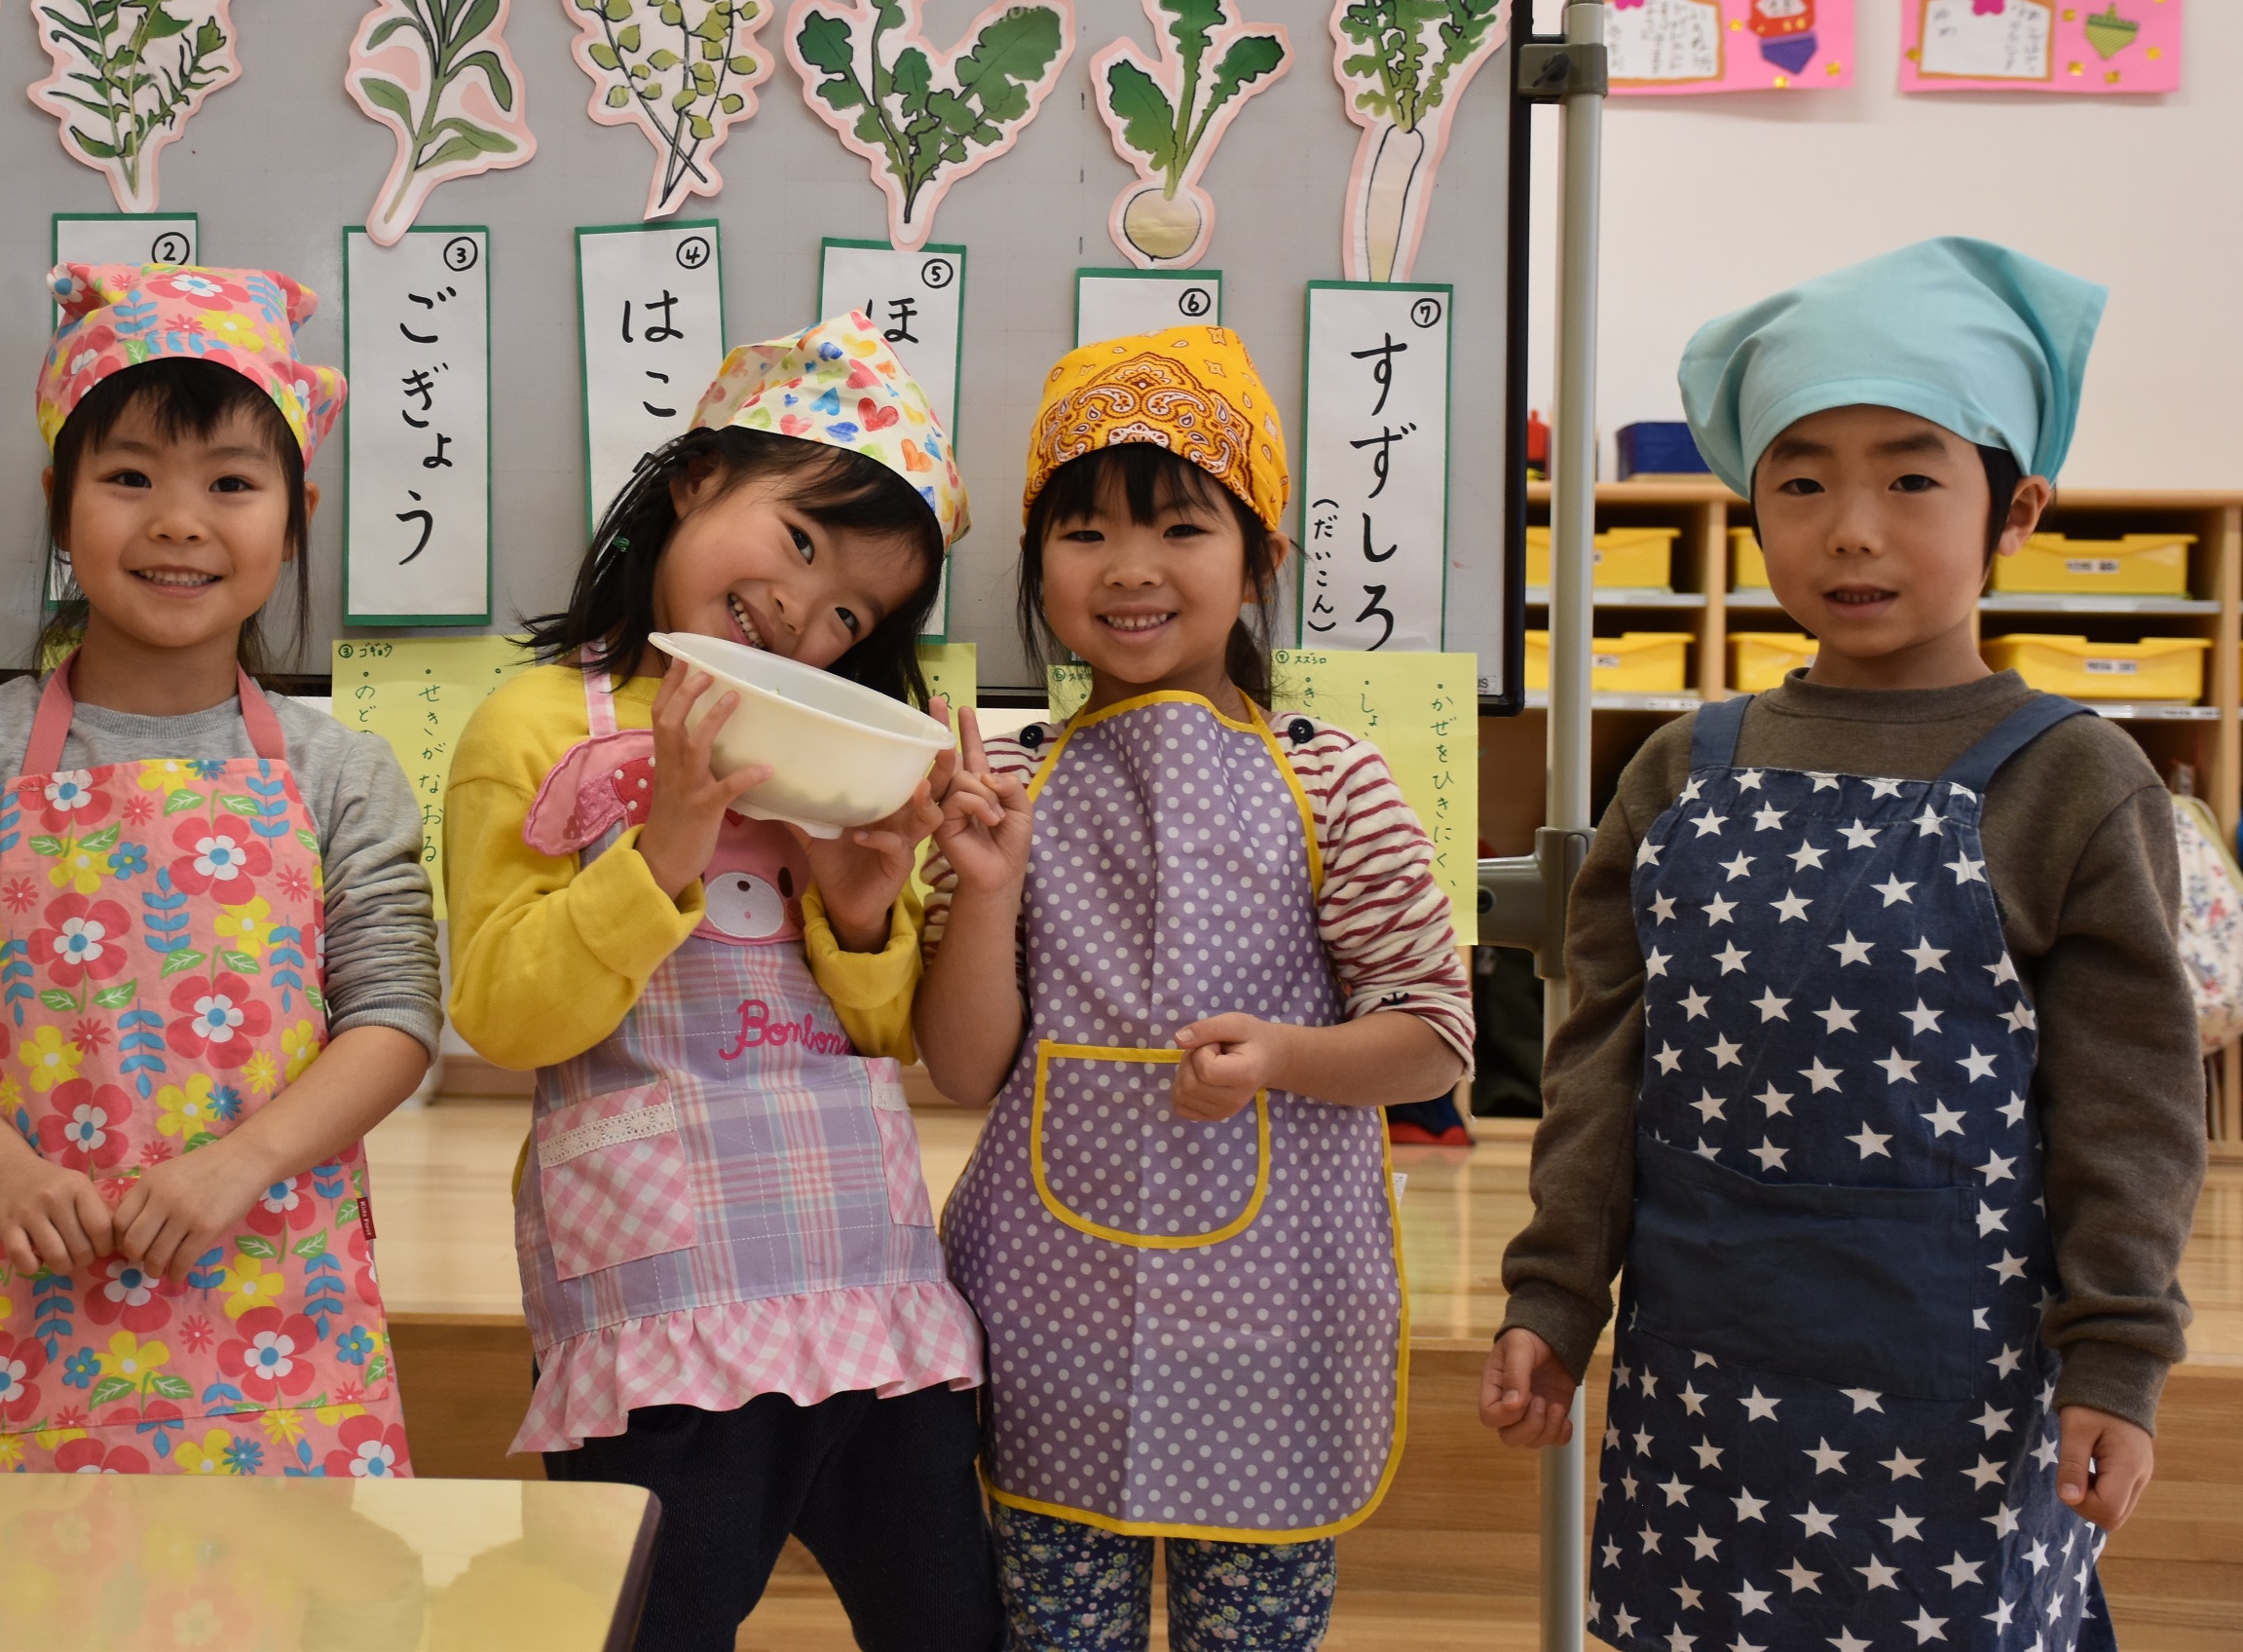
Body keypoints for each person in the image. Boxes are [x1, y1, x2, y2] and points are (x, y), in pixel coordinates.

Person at [1479, 240, 2208, 1652]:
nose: (1852, 530)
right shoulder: (1679, 769)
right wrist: (1554, 1294)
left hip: (1961, 1391)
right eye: (1801, 483)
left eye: (1912, 479)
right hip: (1705, 1387)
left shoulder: (2073, 780)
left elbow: (2132, 1106)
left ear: (2018, 509)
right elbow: (1600, 1067)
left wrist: (2119, 1356)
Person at [0, 263, 438, 1473]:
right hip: (1, 1290)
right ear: (60, 502)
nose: (179, 520)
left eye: (232, 482)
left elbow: (395, 1015)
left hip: (263, 1287)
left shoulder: (341, 771)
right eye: (130, 476)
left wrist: (241, 1164)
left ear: (296, 514)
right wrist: (3, 1170)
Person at [914, 323, 1475, 1651]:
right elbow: (965, 1068)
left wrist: (1288, 1057)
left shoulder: (1337, 780)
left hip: (1275, 1335)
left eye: (1180, 527)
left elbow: (1435, 1037)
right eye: (1085, 532)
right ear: (1036, 561)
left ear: (1260, 557)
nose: (1130, 568)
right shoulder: (1006, 783)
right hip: (1055, 1327)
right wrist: (986, 883)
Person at [443, 314, 998, 1652]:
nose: (804, 613)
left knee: (956, 1628)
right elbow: (504, 1012)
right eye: (799, 541)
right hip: (658, 1309)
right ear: (695, 479)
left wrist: (861, 907)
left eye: (851, 612)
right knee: (655, 1628)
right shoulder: (536, 723)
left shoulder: (835, 757)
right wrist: (664, 851)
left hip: (868, 1284)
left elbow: (884, 1035)